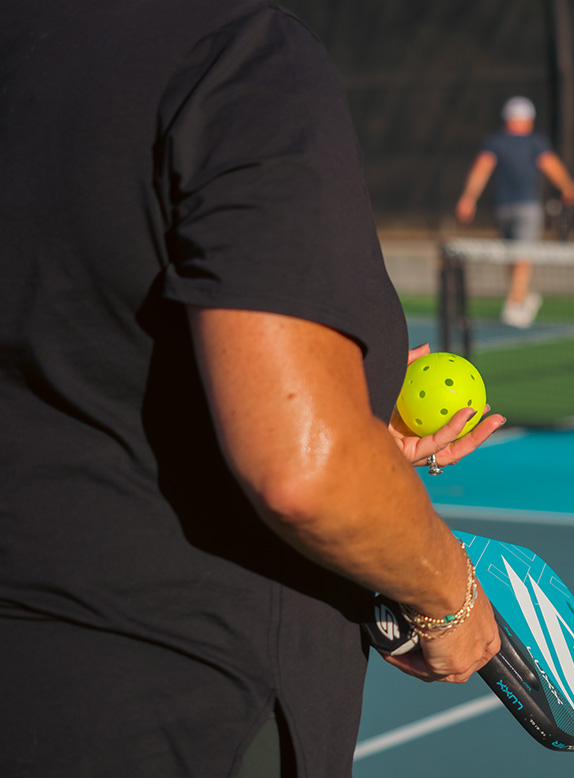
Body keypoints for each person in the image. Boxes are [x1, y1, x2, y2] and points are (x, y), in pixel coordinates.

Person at [0, 2, 502, 777]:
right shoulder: (238, 56)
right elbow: (306, 471)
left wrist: (350, 407)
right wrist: (450, 600)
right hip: (167, 706)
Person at [455, 96, 574, 327]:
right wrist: (567, 185)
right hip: (512, 207)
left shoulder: (519, 141)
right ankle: (518, 300)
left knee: (520, 256)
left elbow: (482, 169)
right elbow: (550, 165)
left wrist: (468, 198)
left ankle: (515, 302)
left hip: (519, 207)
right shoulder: (511, 142)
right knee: (515, 257)